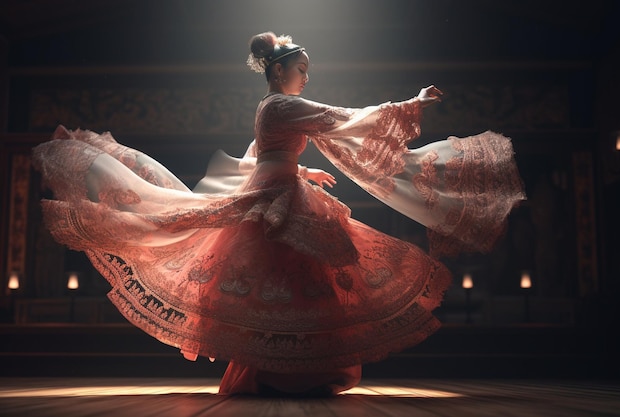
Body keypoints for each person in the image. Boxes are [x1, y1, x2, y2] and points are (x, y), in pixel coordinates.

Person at [32, 32, 525, 396]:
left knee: (287, 277)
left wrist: (301, 173)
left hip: (278, 186)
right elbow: (345, 120)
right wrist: (411, 103)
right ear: (279, 72)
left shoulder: (271, 110)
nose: (306, 76)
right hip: (276, 194)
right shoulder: (282, 107)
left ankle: (282, 369)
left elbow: (256, 157)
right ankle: (281, 370)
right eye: (301, 69)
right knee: (284, 276)